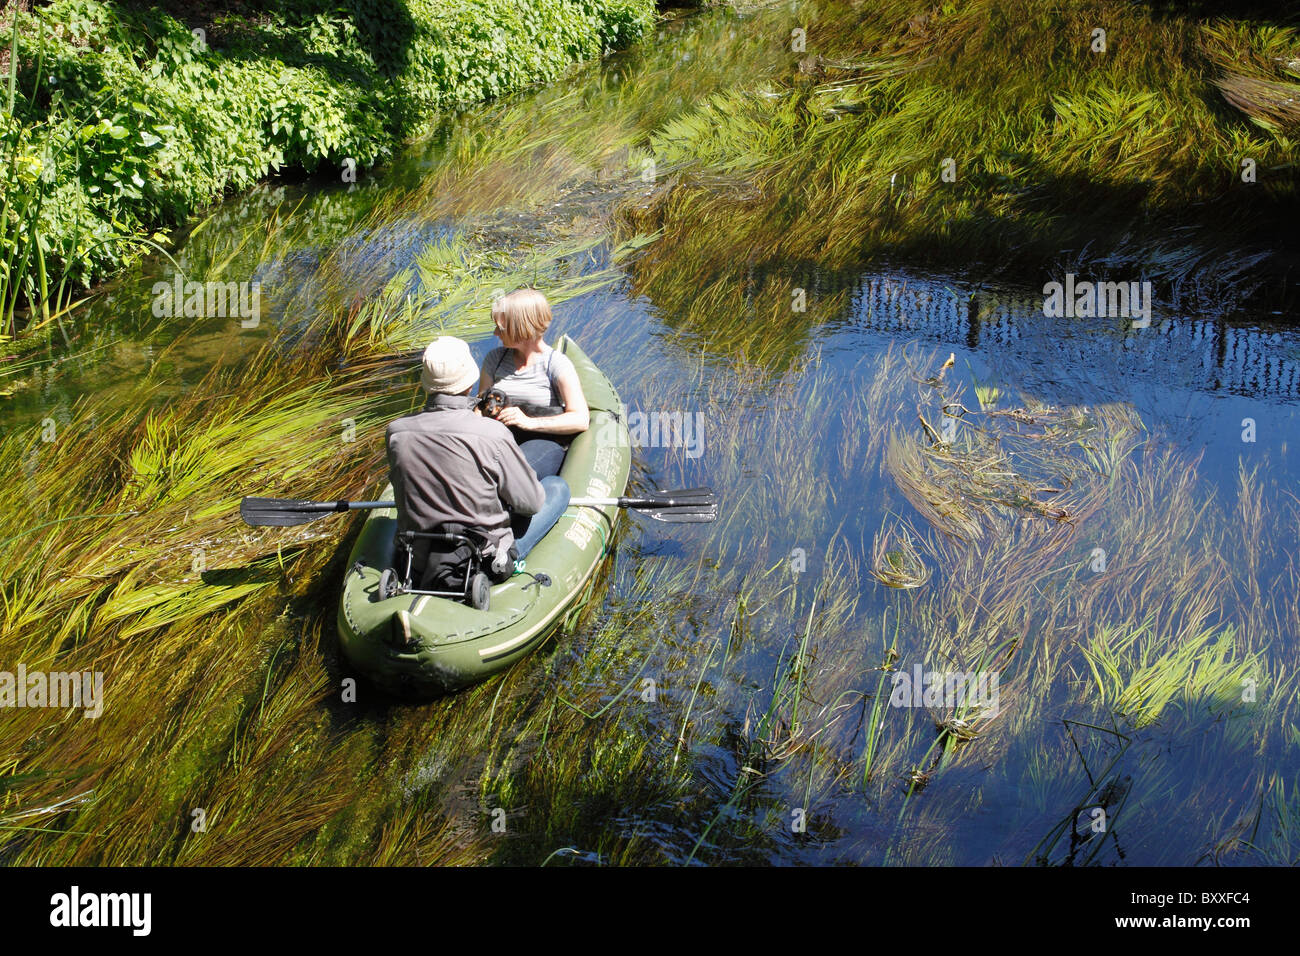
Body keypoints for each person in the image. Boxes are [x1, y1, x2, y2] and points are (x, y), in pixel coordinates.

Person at [386, 337, 570, 584]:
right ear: (470, 383)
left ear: (426, 385)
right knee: (557, 488)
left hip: (416, 558)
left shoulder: (396, 432)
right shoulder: (493, 433)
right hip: (483, 561)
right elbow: (532, 504)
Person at [478, 288, 590, 480]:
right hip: (500, 437)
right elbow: (480, 406)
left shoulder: (556, 364)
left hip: (542, 440)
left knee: (514, 475)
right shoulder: (494, 359)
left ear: (520, 328)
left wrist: (528, 422)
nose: (495, 333)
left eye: (501, 328)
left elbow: (580, 419)